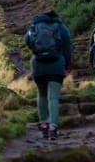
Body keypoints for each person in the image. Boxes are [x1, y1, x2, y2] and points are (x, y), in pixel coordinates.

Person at [24, 8, 72, 140]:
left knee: (41, 94)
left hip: (38, 65)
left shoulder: (34, 27)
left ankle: (44, 125)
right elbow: (68, 48)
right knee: (53, 97)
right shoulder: (61, 28)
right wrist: (66, 64)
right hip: (56, 65)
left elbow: (27, 41)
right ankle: (53, 127)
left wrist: (37, 51)